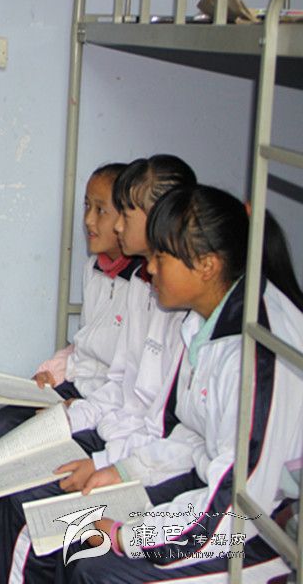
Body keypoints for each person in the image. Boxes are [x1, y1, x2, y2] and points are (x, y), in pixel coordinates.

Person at [0, 155, 198, 583]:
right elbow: (121, 386)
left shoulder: (189, 318)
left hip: (149, 462)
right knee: (4, 463)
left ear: (162, 218)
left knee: (43, 518)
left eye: (122, 213)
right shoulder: (145, 288)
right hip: (120, 439)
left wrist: (107, 465)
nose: (114, 226)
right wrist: (66, 420)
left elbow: (167, 434)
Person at [62, 186, 303, 582]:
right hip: (213, 492)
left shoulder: (255, 355)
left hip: (263, 532)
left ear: (206, 265)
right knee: (75, 531)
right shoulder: (203, 324)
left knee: (95, 567)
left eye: (161, 257)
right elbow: (192, 433)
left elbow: (237, 511)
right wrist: (123, 470)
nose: (150, 269)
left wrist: (127, 536)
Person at [0, 161, 138, 584]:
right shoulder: (96, 268)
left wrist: (71, 407)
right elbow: (86, 343)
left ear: (127, 217)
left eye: (101, 210)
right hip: (75, 390)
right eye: (87, 206)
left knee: (13, 461)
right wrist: (52, 372)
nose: (89, 220)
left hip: (96, 406)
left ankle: (2, 561)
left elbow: (124, 382)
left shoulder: (143, 285)